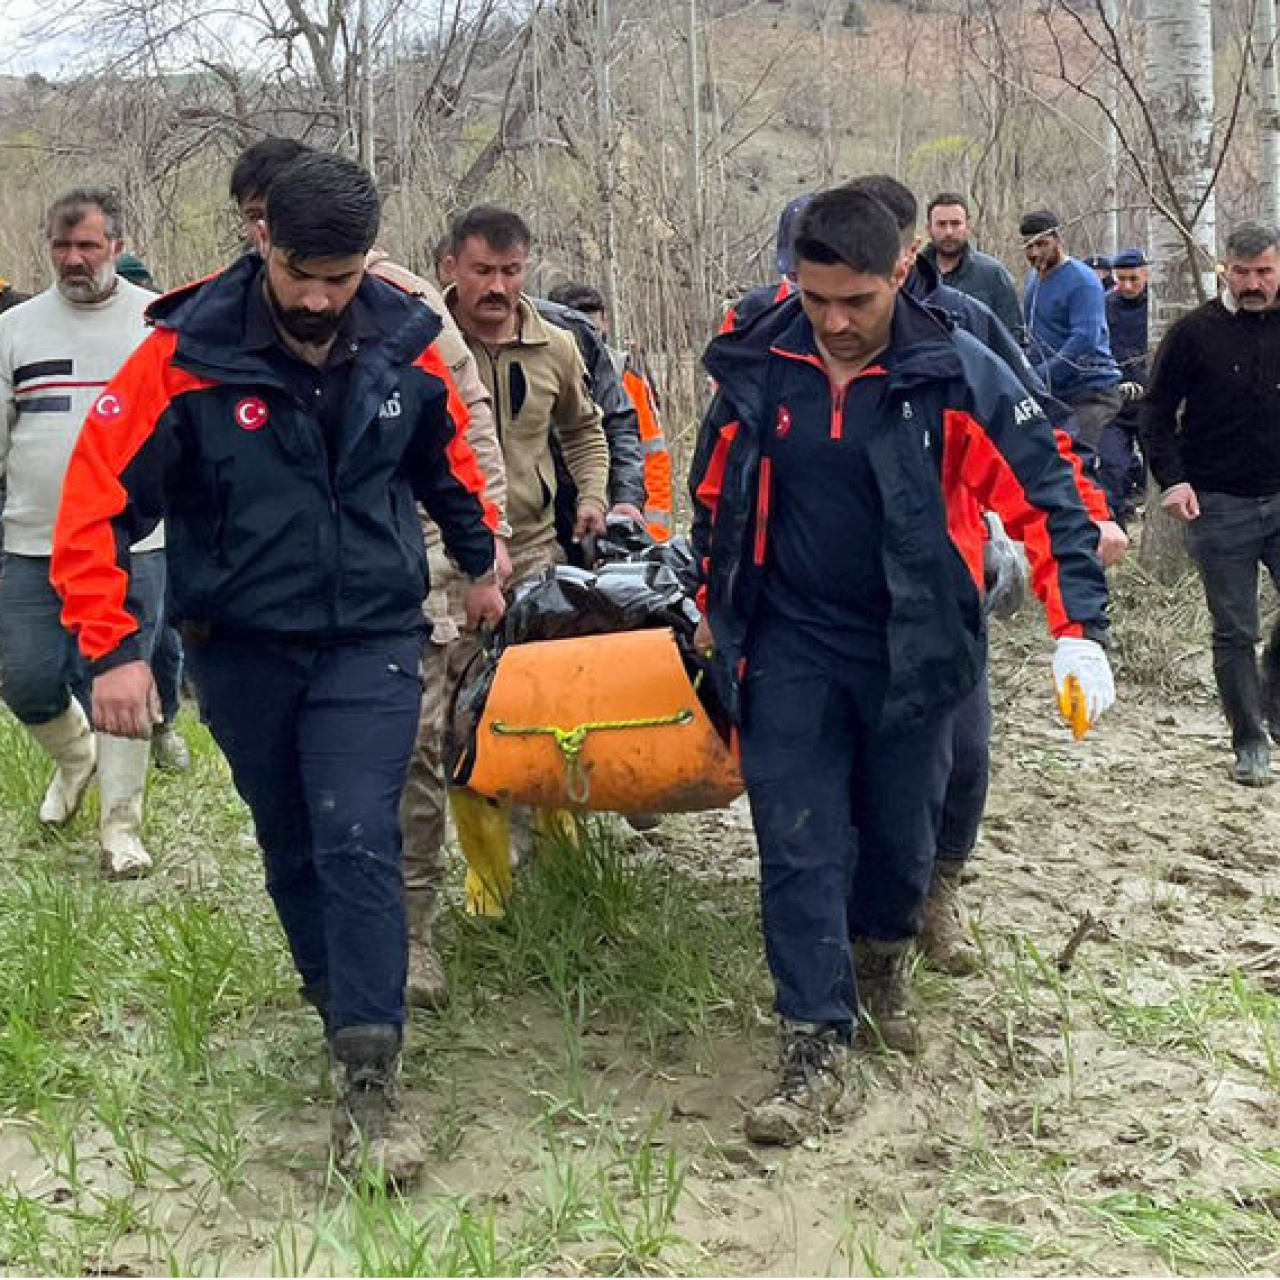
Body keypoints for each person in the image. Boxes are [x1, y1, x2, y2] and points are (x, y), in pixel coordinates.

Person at [50, 152, 505, 1182]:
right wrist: (115, 649)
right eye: (302, 271)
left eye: (339, 277)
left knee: (355, 832)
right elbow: (93, 507)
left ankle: (371, 1076)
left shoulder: (404, 339)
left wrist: (479, 561)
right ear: (262, 241)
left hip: (373, 637)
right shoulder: (182, 354)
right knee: (293, 840)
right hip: (240, 644)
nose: (317, 297)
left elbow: (448, 462)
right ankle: (336, 1000)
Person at [690, 187, 1113, 1146]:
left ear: (898, 276)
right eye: (816, 299)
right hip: (790, 640)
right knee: (796, 844)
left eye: (857, 303)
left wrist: (1077, 627)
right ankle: (814, 1041)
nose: (835, 323)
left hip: (915, 644)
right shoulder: (762, 360)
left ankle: (882, 963)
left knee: (897, 840)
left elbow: (1048, 488)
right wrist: (718, 603)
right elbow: (715, 485)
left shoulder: (952, 372)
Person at [228, 136, 510, 1012]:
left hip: (404, 562)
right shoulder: (233, 310)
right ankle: (344, 940)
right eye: (252, 222)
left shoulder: (404, 308)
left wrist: (480, 551)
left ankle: (412, 931)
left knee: (413, 754)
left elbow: (466, 436)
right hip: (281, 590)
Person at [423, 204, 609, 916]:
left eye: (511, 271)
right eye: (482, 271)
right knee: (464, 716)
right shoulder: (420, 346)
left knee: (547, 709)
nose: (497, 286)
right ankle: (487, 880)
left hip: (536, 551)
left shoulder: (558, 345)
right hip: (451, 559)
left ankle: (561, 859)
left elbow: (585, 432)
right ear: (450, 269)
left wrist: (592, 496)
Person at [0, 186, 167, 879]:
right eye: (62, 247)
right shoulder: (15, 328)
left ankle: (120, 830)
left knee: (123, 679)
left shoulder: (157, 326)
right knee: (25, 674)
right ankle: (76, 759)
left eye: (88, 247)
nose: (73, 259)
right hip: (32, 539)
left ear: (118, 249)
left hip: (134, 542)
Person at [1142, 222, 1280, 787]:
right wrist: (1173, 482)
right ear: (1225, 269)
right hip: (1218, 504)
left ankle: (1274, 688)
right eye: (1243, 272)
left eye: (1265, 272)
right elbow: (1154, 417)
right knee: (1233, 629)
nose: (1253, 283)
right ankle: (1250, 741)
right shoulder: (1194, 333)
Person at [546, 280, 674, 542]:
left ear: (605, 321)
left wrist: (651, 534)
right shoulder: (540, 365)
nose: (590, 337)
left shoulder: (624, 371)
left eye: (593, 326)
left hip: (614, 511)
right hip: (551, 516)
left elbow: (650, 452)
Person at [1019, 210, 1123, 452]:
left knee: (1080, 466)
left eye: (1041, 244)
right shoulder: (1034, 280)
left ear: (1057, 240)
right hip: (1053, 394)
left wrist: (1041, 374)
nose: (1034, 253)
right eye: (1028, 245)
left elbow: (1084, 339)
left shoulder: (1082, 281)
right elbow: (1033, 336)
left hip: (1090, 392)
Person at [920, 192, 1023, 340]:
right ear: (928, 228)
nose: (948, 232)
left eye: (955, 224)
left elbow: (1012, 338)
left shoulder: (993, 275)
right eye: (941, 224)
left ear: (968, 227)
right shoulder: (913, 274)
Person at [1101, 248, 1150, 525]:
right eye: (1122, 280)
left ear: (1145, 275)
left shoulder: (1156, 306)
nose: (1128, 286)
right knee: (1112, 468)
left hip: (1152, 401)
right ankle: (1116, 525)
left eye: (1134, 279)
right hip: (1114, 402)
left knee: (1157, 469)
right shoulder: (1104, 306)